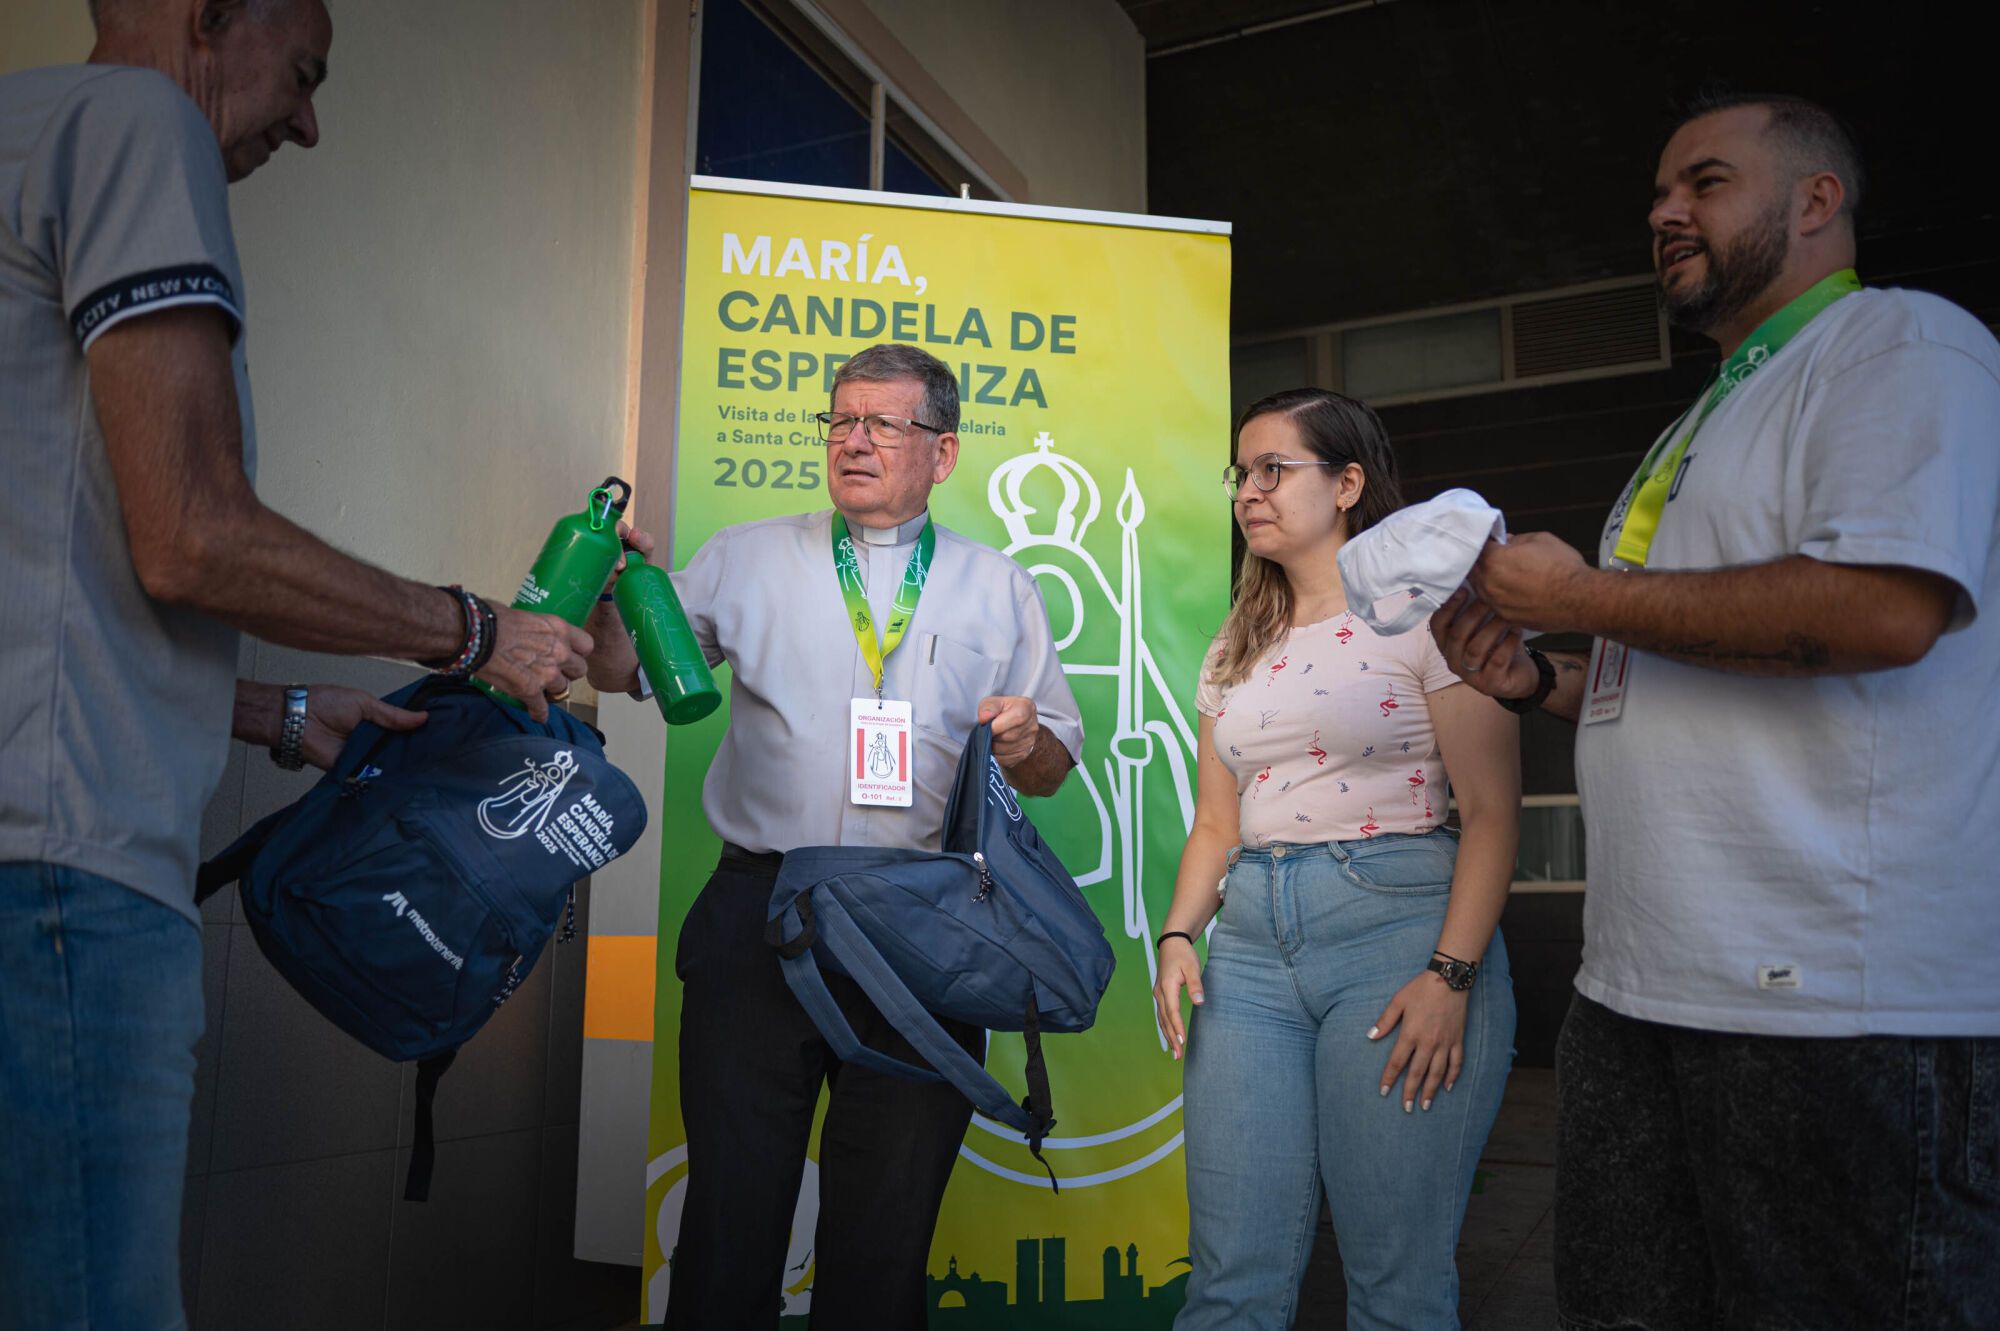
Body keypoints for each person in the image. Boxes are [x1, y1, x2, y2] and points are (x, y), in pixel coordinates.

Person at [0, 2, 603, 1325]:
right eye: (306, 72)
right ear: (213, 15)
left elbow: (46, 588)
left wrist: (275, 709)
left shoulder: (23, 135)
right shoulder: (139, 120)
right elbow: (193, 533)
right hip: (60, 884)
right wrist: (474, 631)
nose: (311, 123)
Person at [1431, 92, 2000, 1328]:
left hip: (1832, 999)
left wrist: (1577, 594)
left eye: (1704, 182)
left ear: (1815, 200)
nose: (1662, 212)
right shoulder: (1712, 408)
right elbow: (1676, 661)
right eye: (1657, 194)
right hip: (1640, 985)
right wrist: (1538, 677)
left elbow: (1882, 608)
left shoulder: (1898, 344)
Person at [598, 341, 1082, 1329]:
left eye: (882, 424)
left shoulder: (999, 586)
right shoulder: (742, 556)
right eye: (841, 420)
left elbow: (1051, 766)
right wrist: (614, 598)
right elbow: (622, 670)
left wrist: (1028, 739)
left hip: (925, 929)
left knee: (882, 1246)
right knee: (727, 1229)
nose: (853, 441)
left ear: (943, 453)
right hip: (761, 914)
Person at [1153, 389, 1520, 1330]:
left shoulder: (1431, 612)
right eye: (1241, 473)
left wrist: (1451, 974)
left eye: (1274, 469)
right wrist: (1178, 935)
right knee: (1228, 1282)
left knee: (1396, 1286)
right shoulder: (1236, 640)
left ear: (1349, 483)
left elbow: (1491, 813)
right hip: (1249, 953)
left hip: (1397, 938)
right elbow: (1215, 824)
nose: (1249, 491)